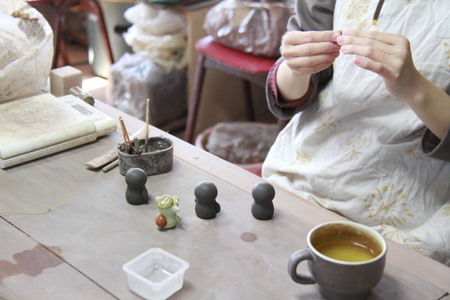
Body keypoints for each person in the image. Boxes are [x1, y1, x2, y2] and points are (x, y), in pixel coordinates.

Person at [263, 0, 450, 265]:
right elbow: (293, 90)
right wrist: (295, 67)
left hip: (414, 214)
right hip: (302, 176)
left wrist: (415, 88)